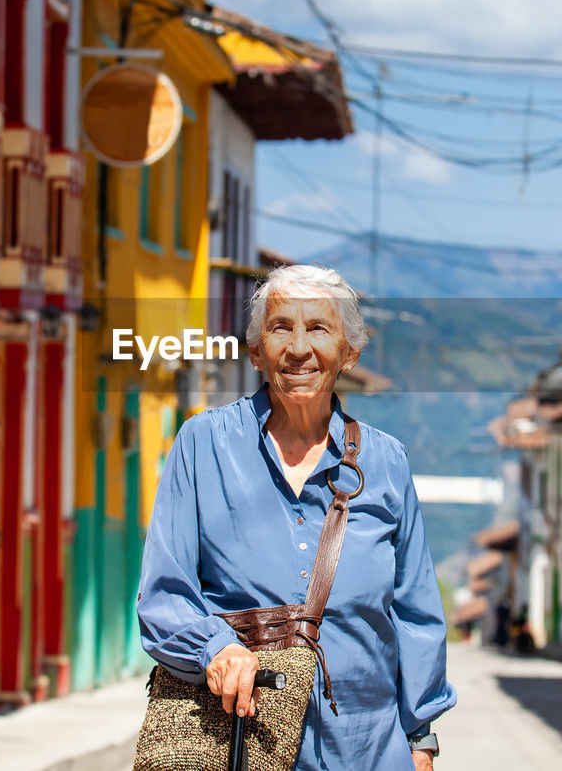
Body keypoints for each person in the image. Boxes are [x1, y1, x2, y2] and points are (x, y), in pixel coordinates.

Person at [137, 264, 456, 770]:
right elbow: (164, 593)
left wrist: (420, 740)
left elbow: (415, 613)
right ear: (256, 351)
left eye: (319, 329)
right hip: (240, 745)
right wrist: (216, 650)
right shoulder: (203, 446)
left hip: (367, 750)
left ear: (348, 353)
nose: (299, 348)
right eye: (281, 327)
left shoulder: (387, 462)